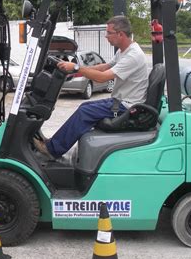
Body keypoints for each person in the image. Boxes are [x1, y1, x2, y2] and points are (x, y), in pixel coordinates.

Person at [33, 15, 149, 159]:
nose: (106, 36)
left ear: (120, 34)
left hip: (126, 106)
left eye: (109, 33)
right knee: (84, 108)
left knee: (85, 111)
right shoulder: (123, 51)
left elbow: (103, 77)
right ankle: (53, 144)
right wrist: (77, 68)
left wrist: (76, 68)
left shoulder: (133, 56)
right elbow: (104, 67)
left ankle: (52, 150)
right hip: (120, 101)